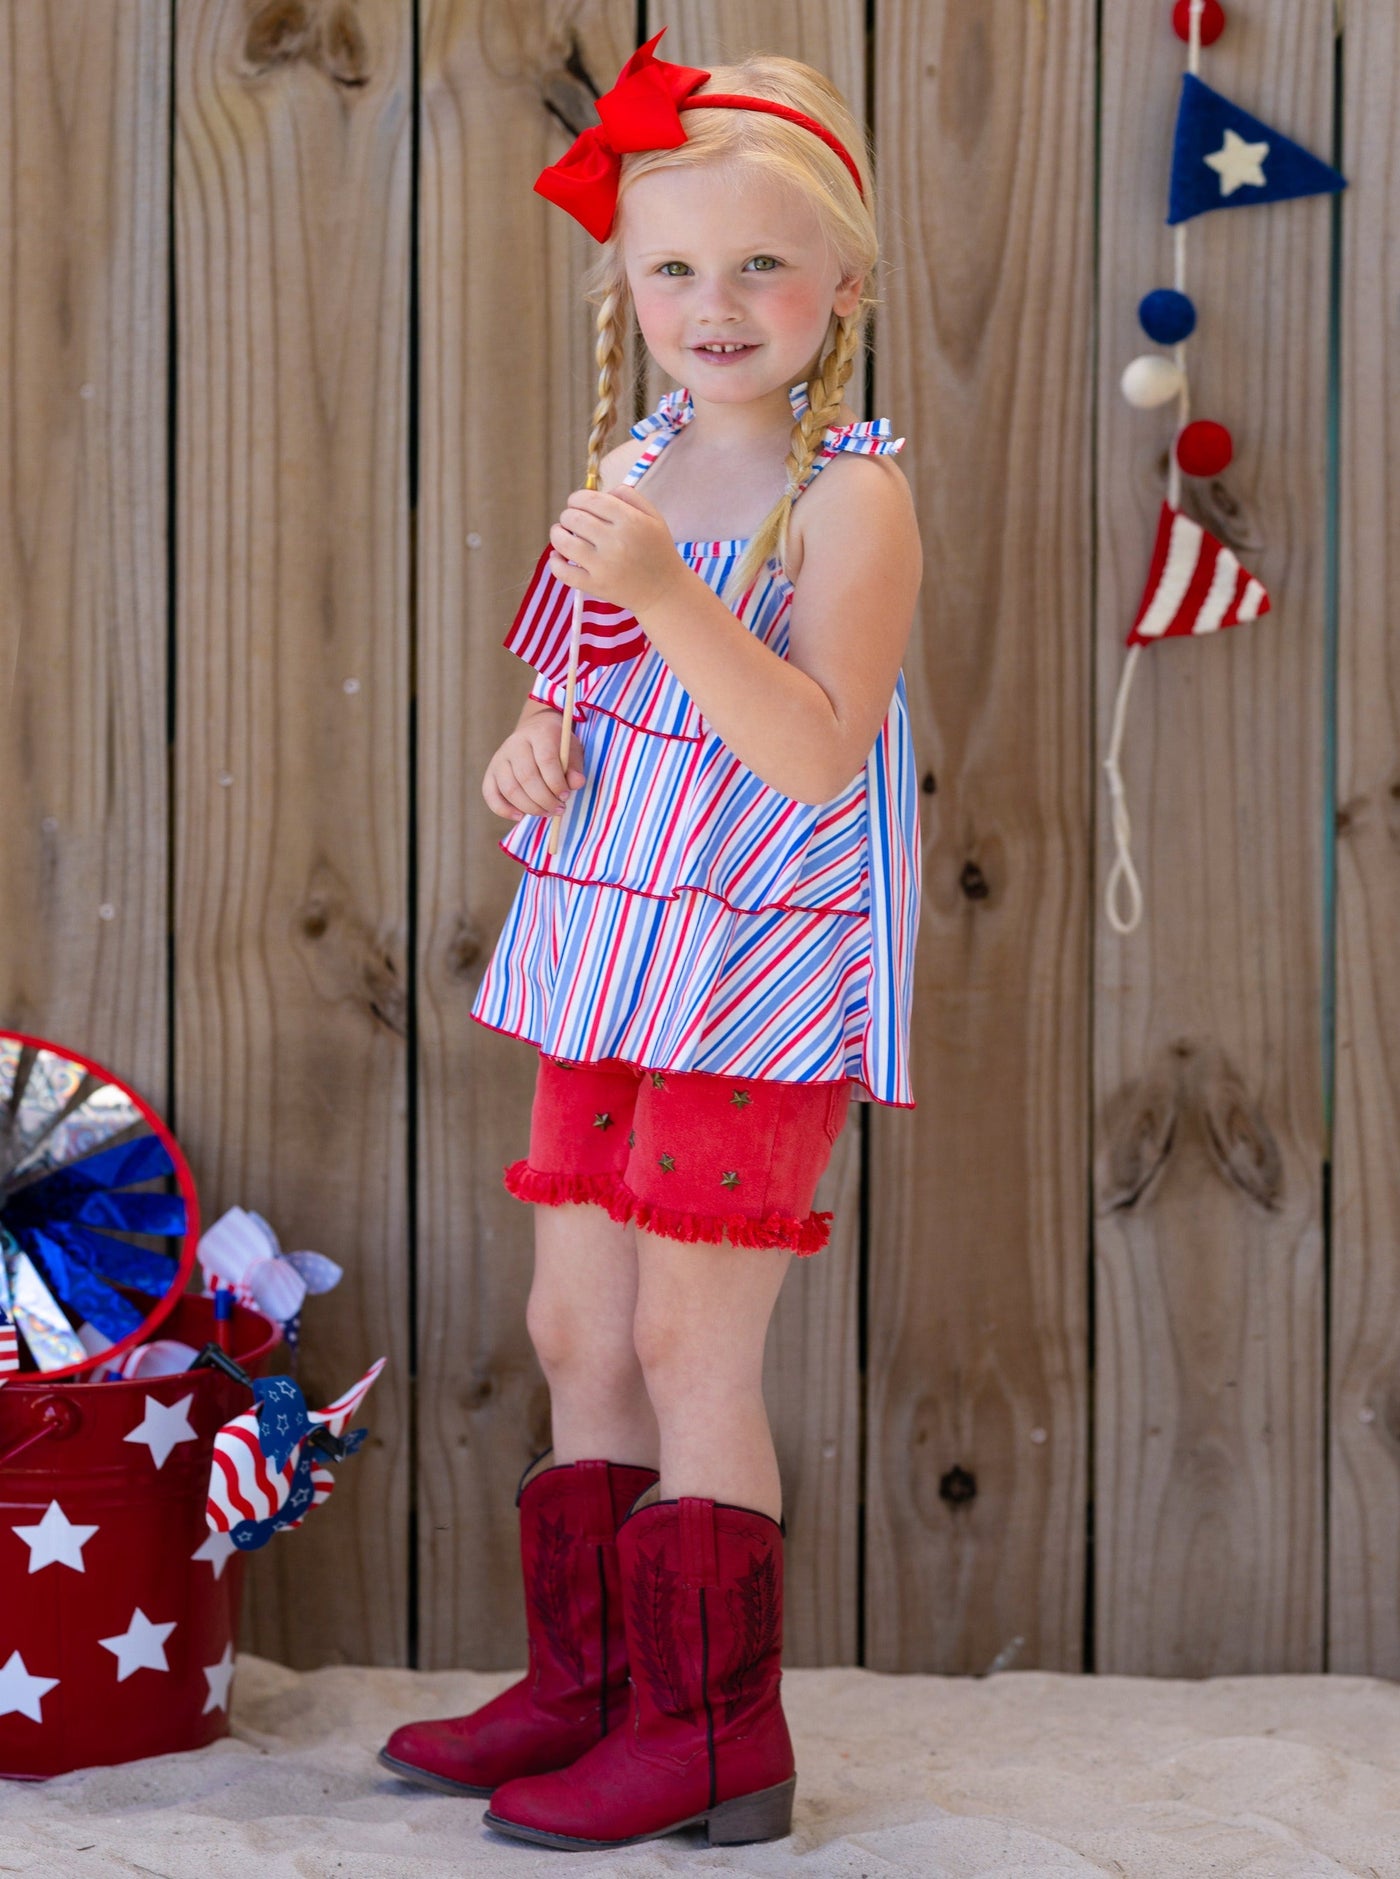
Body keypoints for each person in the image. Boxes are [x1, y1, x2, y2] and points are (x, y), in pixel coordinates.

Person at [380, 28, 922, 1851]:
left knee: (695, 1345)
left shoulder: (847, 494)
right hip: (604, 947)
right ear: (626, 278)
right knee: (573, 1324)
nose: (716, 302)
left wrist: (673, 593)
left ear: (839, 281)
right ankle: (587, 1691)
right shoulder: (634, 464)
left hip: (751, 972)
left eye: (761, 263)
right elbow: (580, 697)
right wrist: (533, 747)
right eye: (675, 263)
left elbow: (814, 743)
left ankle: (716, 1737)